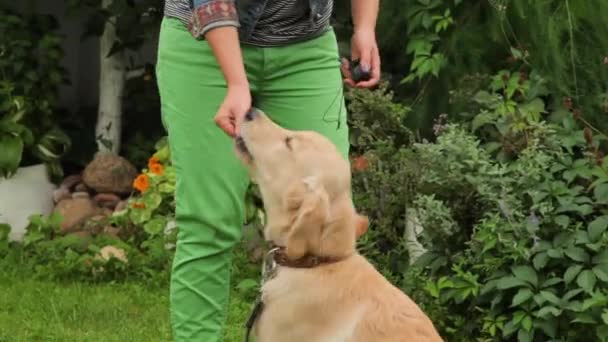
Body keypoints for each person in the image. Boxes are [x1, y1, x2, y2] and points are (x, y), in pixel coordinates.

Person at [155, 0, 380, 340]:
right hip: (202, 45)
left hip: (305, 49)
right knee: (209, 221)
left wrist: (364, 26)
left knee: (327, 224)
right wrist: (236, 81)